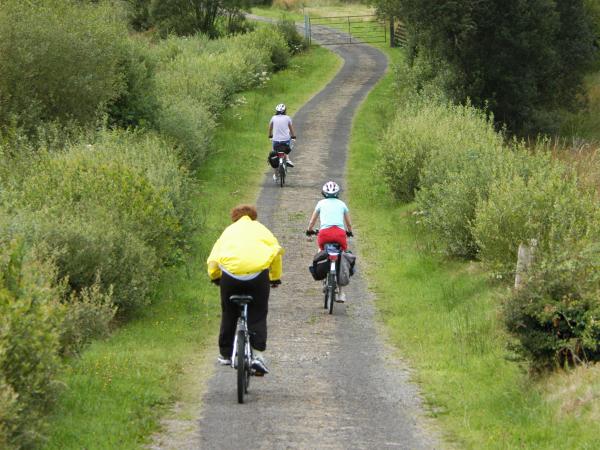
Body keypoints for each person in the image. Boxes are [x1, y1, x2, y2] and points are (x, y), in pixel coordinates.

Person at [207, 204, 284, 374]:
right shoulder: (262, 230)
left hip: (231, 276)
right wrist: (275, 277)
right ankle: (257, 356)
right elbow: (276, 253)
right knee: (258, 313)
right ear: (253, 216)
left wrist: (215, 277)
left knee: (229, 313)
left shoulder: (228, 231)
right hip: (257, 276)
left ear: (234, 217)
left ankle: (226, 355)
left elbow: (213, 260)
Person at [306, 181, 353, 302]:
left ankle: (323, 278)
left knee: (321, 250)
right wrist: (349, 231)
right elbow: (348, 223)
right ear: (337, 193)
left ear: (324, 193)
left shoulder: (320, 203)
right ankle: (341, 293)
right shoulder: (342, 204)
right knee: (342, 256)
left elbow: (312, 221)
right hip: (339, 234)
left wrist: (309, 230)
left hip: (324, 235)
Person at [268, 103, 296, 183]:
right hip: (285, 140)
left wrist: (270, 135)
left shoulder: (273, 118)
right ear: (284, 111)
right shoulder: (287, 118)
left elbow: (270, 128)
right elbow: (291, 128)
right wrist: (293, 136)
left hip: (276, 140)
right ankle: (287, 159)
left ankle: (276, 175)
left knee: (275, 156)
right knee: (287, 146)